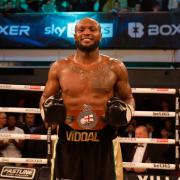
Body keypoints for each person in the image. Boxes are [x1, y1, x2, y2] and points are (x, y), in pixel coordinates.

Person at [39, 17, 135, 180]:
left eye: (92, 29)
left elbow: (128, 98)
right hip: (68, 139)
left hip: (103, 140)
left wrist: (126, 114)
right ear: (75, 35)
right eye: (82, 30)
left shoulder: (115, 66)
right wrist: (46, 115)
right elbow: (45, 98)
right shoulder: (59, 67)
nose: (87, 33)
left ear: (100, 35)